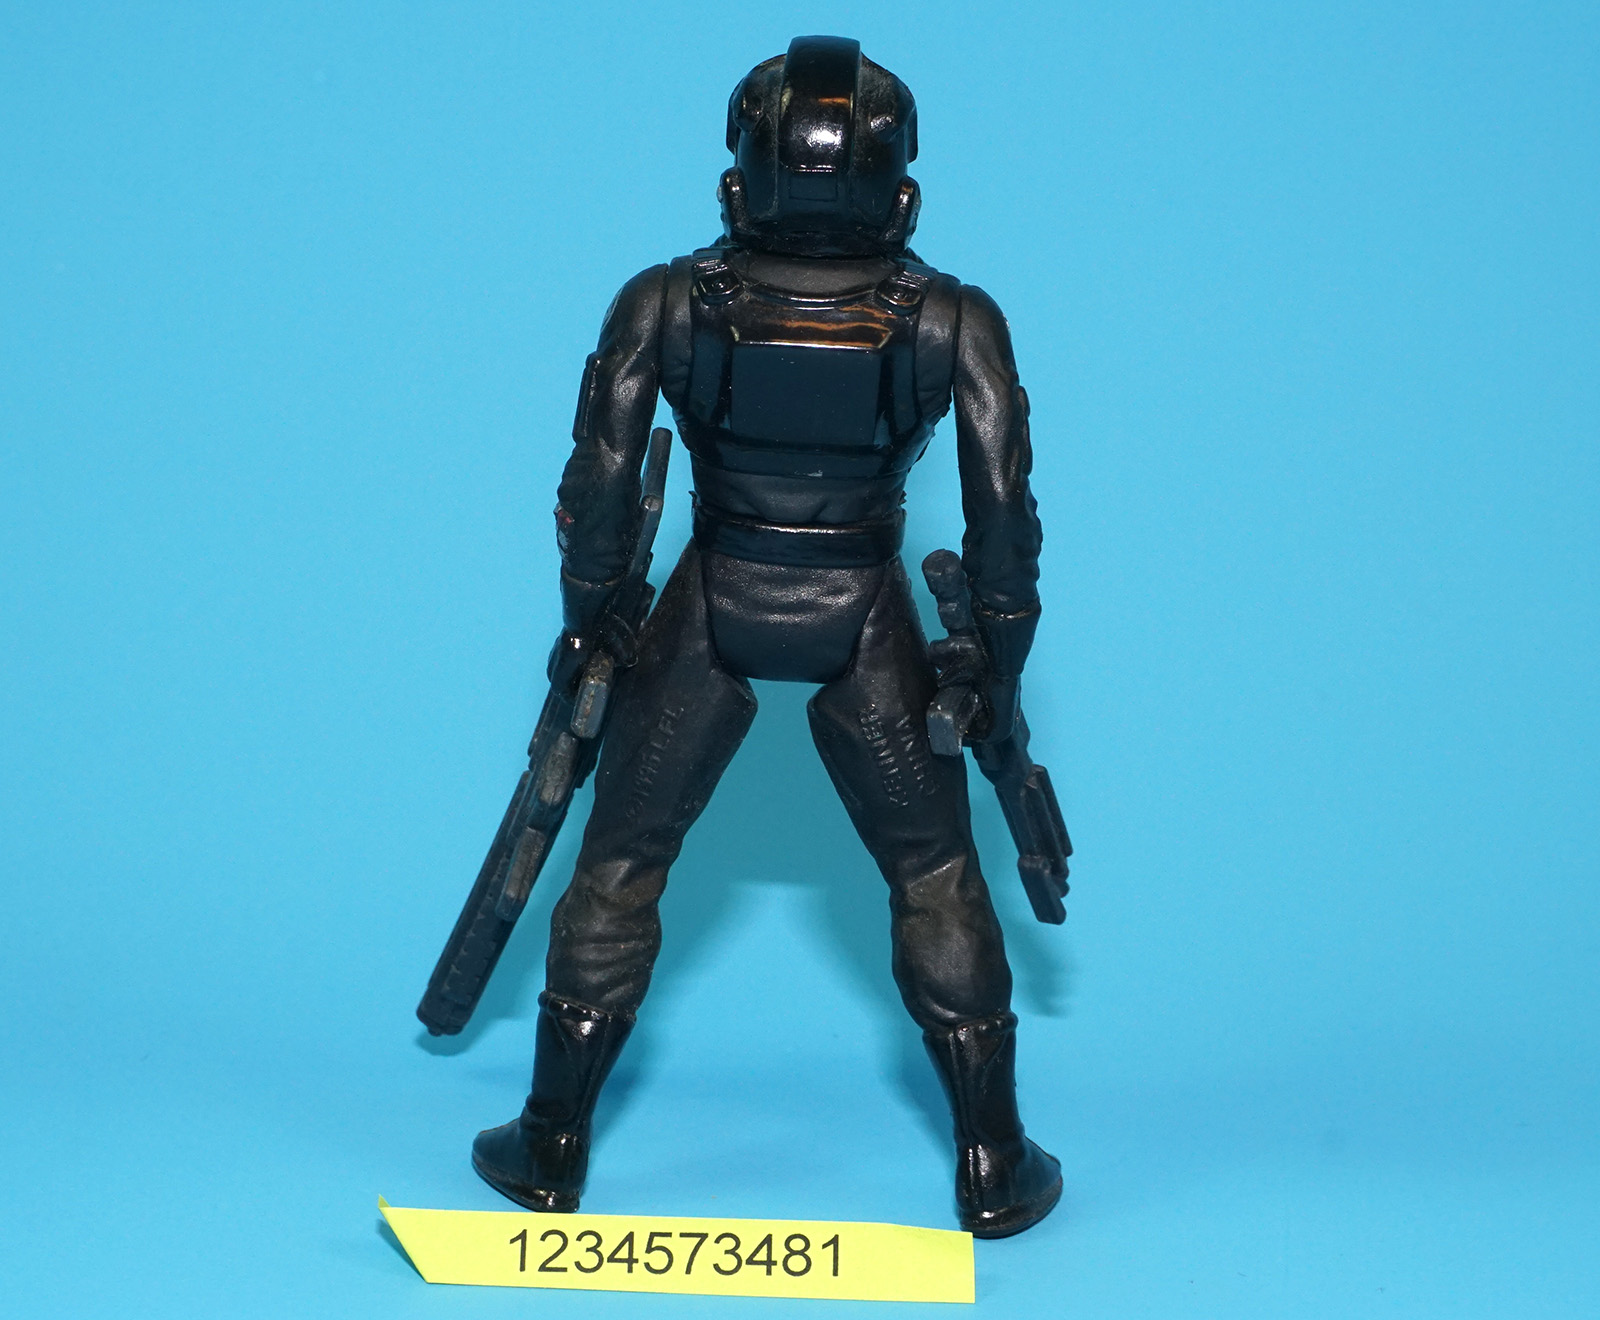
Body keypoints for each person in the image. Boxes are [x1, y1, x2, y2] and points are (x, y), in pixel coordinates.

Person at [471, 35, 1061, 1238]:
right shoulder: (954, 320)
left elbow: (596, 490)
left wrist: (594, 620)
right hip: (863, 602)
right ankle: (992, 1158)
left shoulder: (663, 301)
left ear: (737, 186)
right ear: (902, 199)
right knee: (935, 875)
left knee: (619, 865)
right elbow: (1003, 520)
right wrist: (995, 661)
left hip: (714, 591)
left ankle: (551, 1141)